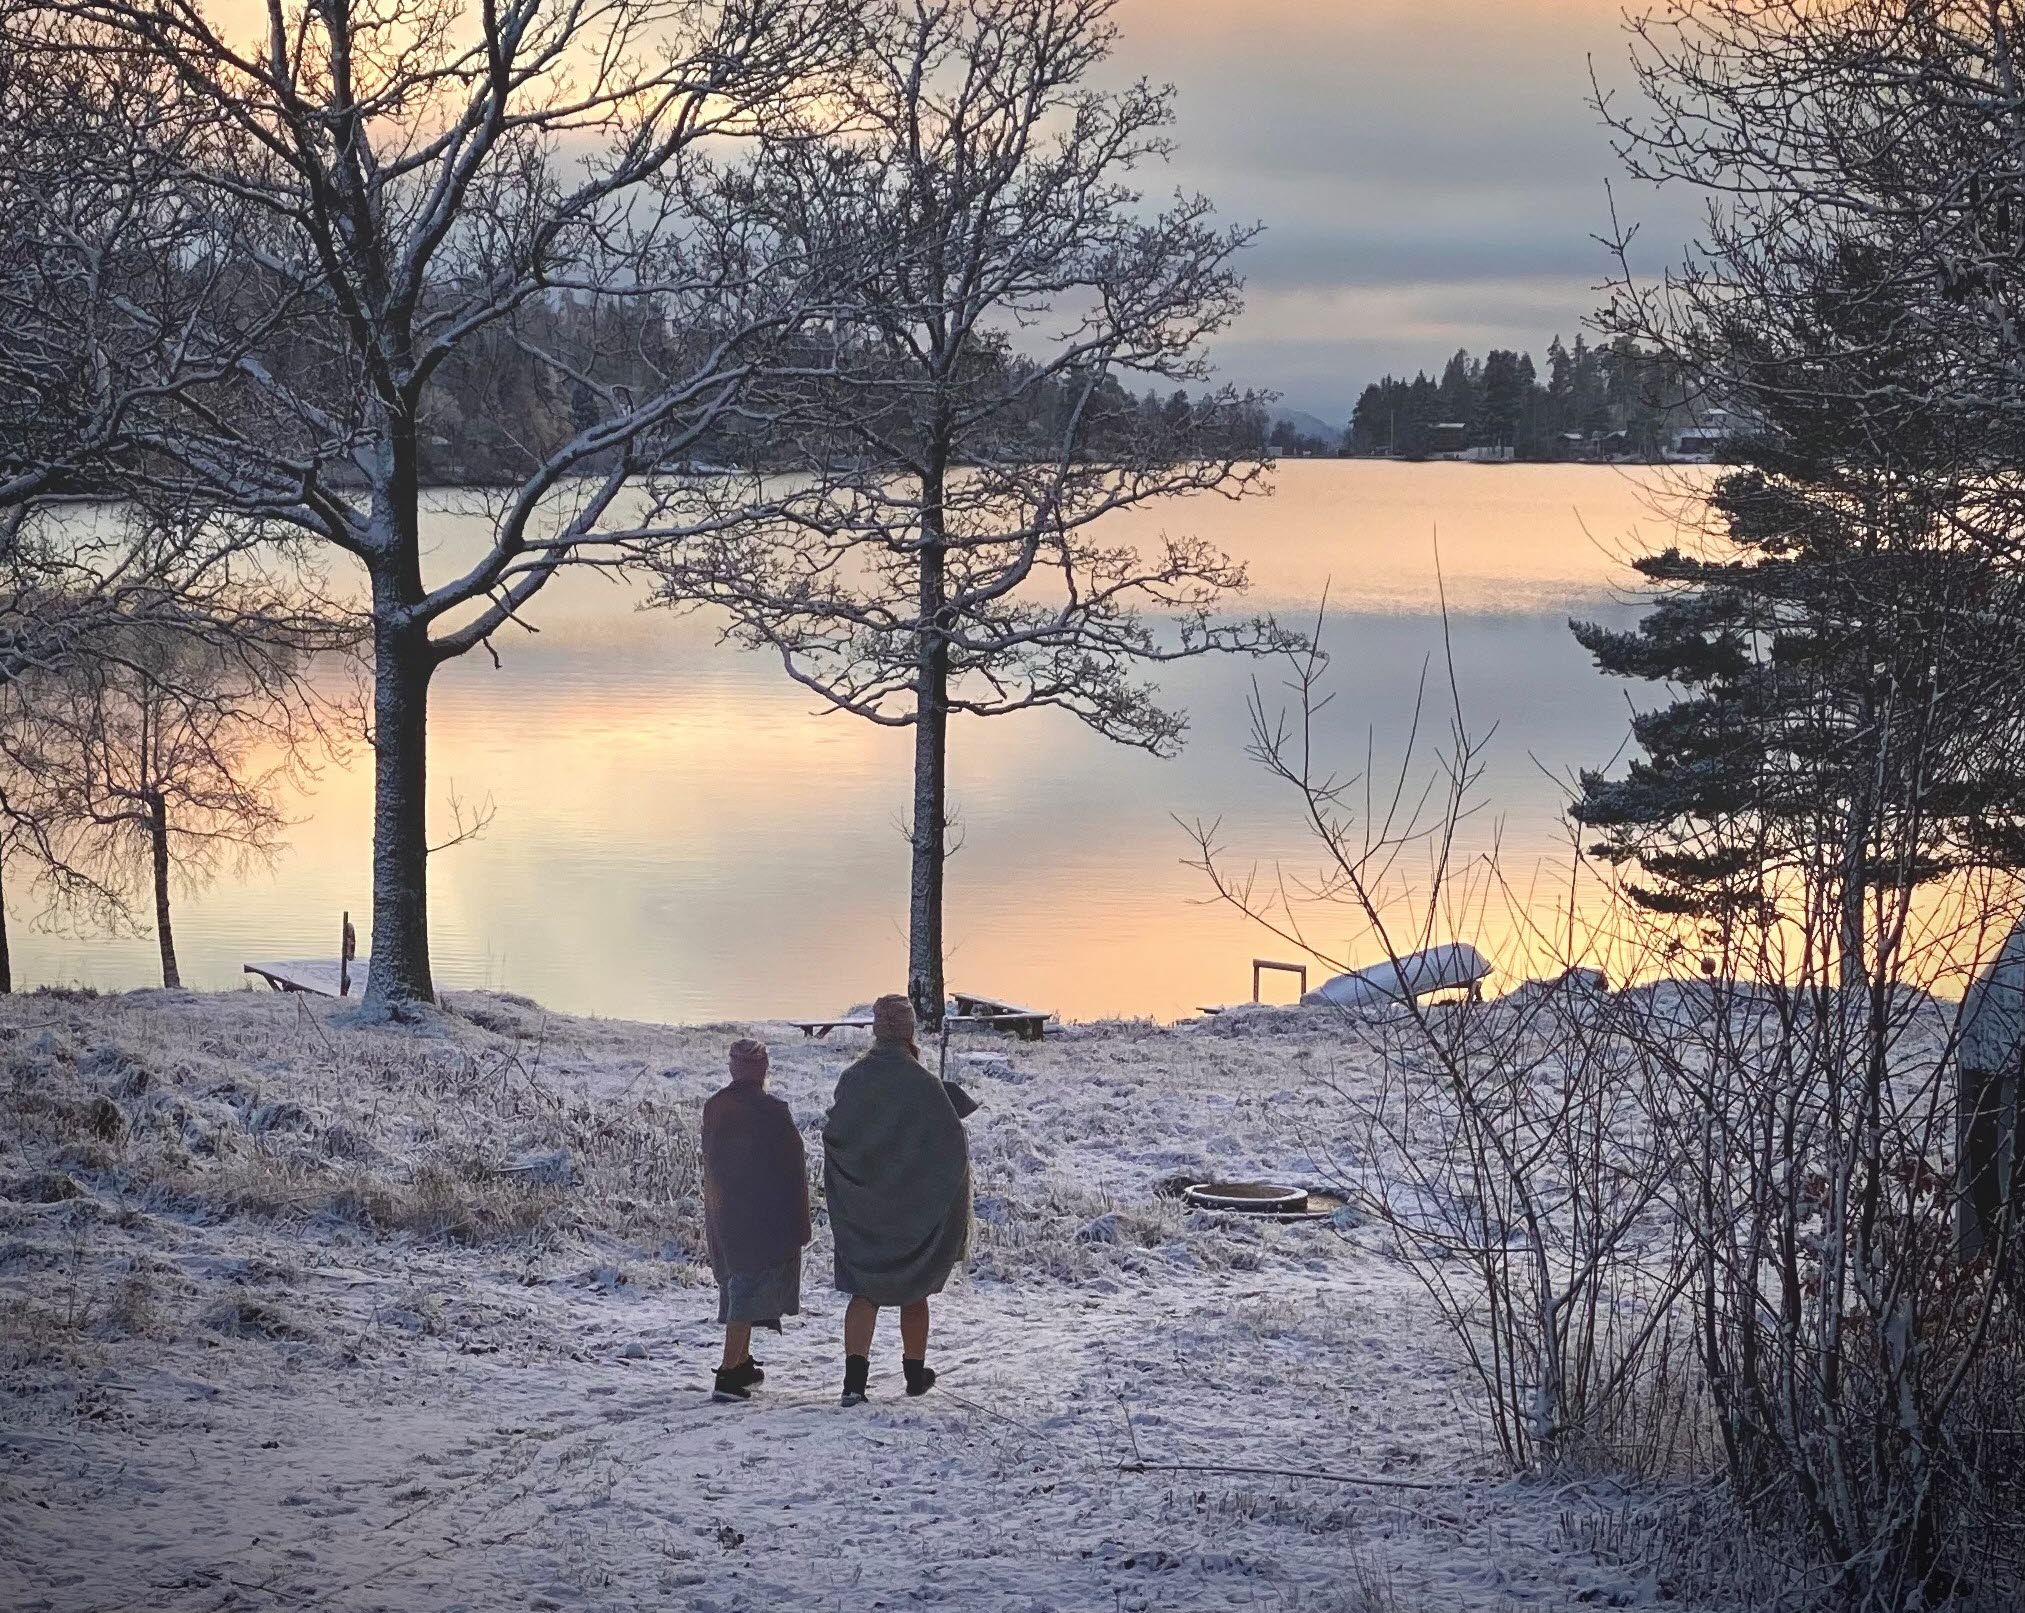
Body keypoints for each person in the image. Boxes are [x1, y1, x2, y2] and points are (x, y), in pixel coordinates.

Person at [822, 994, 972, 1406]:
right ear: (908, 1032)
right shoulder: (926, 1085)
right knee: (913, 1291)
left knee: (863, 1293)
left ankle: (854, 1384)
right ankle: (914, 1375)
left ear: (875, 1030)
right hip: (912, 1212)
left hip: (863, 1211)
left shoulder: (853, 1080)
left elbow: (835, 1137)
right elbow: (952, 1148)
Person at [701, 1038, 811, 1403]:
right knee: (746, 1290)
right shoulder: (772, 1110)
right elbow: (793, 1165)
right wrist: (799, 1218)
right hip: (763, 1214)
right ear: (763, 1070)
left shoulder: (715, 1106)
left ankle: (743, 1361)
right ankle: (730, 1372)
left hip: (724, 1211)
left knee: (736, 1282)